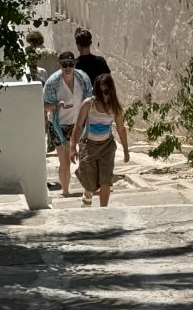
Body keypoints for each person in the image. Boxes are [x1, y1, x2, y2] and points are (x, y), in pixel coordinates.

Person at [70, 72, 130, 207]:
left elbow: (121, 129)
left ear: (111, 90)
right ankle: (88, 193)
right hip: (88, 146)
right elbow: (78, 126)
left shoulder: (115, 107)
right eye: (100, 91)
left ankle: (104, 210)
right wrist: (73, 148)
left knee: (105, 180)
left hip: (107, 146)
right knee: (90, 182)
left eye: (106, 91)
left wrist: (126, 151)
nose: (103, 95)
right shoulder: (88, 104)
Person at [43, 51, 92, 197]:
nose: (68, 68)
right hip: (59, 126)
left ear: (75, 64)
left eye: (71, 64)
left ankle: (89, 188)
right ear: (60, 65)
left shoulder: (83, 79)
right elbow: (44, 105)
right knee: (65, 161)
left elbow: (90, 98)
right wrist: (56, 105)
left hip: (79, 124)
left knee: (86, 158)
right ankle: (65, 192)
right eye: (64, 64)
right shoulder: (53, 82)